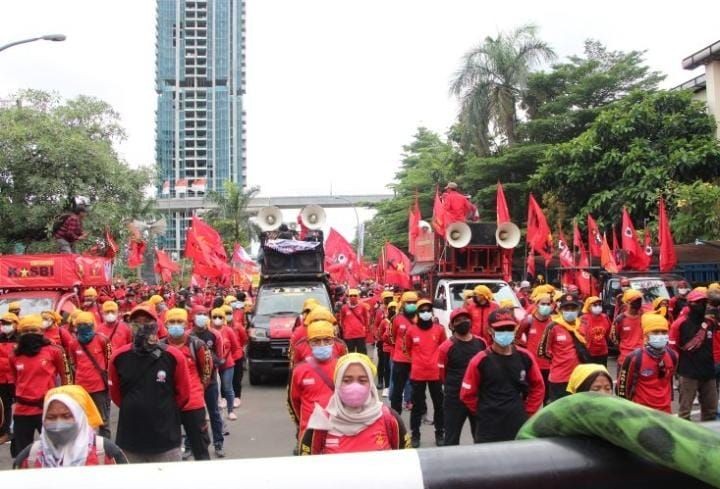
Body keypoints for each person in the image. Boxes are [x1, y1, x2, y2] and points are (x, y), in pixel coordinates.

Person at [109, 304, 191, 463]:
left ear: (156, 324)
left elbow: (183, 395)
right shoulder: (119, 357)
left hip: (165, 440)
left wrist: (161, 409)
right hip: (130, 438)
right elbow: (117, 396)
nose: (142, 326)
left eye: (146, 321)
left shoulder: (173, 356)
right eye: (136, 322)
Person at [460, 308, 544, 442]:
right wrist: (483, 412)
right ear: (490, 330)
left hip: (518, 421)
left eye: (509, 328)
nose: (505, 332)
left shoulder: (525, 357)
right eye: (500, 329)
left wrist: (528, 411)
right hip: (488, 425)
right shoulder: (479, 360)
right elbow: (467, 394)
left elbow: (538, 386)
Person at [300, 353, 409, 454]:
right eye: (347, 380)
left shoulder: (389, 419)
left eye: (362, 380)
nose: (355, 387)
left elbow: (407, 462)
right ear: (337, 383)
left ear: (371, 384)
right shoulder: (321, 422)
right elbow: (306, 468)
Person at [13, 385, 127, 468]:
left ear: (80, 418)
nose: (58, 423)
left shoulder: (106, 452)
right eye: (51, 417)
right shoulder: (29, 457)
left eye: (66, 416)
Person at [9, 314, 70, 457]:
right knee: (23, 453)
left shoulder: (54, 350)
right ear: (20, 333)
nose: (30, 334)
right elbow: (16, 380)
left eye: (34, 330)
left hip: (48, 409)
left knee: (55, 450)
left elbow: (66, 377)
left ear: (41, 331)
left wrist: (65, 402)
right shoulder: (14, 355)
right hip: (22, 410)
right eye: (26, 331)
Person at [162, 307, 212, 461]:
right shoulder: (160, 347)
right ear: (165, 324)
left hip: (193, 404)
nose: (176, 325)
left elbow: (207, 371)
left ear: (186, 324)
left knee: (201, 449)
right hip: (168, 405)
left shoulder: (197, 345)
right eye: (172, 322)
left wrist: (197, 390)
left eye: (179, 322)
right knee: (168, 449)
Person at [438, 308, 486, 446]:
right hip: (454, 398)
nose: (462, 322)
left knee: (480, 436)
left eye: (465, 319)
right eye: (458, 320)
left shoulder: (481, 343)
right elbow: (442, 374)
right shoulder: (446, 347)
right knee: (452, 437)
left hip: (477, 397)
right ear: (452, 326)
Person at [671, 288, 718, 421]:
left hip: (708, 373)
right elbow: (672, 348)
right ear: (690, 304)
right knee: (685, 412)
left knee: (711, 411)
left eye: (704, 302)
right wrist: (675, 370)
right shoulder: (679, 324)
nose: (702, 305)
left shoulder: (710, 323)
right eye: (698, 302)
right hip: (688, 373)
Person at [289, 321, 340, 440]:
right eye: (316, 341)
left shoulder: (342, 366)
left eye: (327, 340)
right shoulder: (299, 370)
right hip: (309, 433)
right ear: (309, 343)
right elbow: (294, 402)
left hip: (338, 430)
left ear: (333, 341)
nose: (322, 345)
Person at [405, 299, 447, 448]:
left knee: (439, 405)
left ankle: (440, 433)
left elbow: (443, 348)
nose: (425, 313)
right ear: (417, 313)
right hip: (418, 374)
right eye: (422, 311)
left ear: (432, 312)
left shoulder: (439, 330)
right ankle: (415, 435)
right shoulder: (411, 330)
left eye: (428, 310)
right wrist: (418, 362)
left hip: (435, 374)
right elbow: (408, 349)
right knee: (416, 406)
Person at [617, 313, 677, 412]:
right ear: (646, 335)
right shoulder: (635, 358)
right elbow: (622, 388)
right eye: (656, 332)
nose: (660, 336)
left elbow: (668, 380)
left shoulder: (672, 356)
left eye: (664, 332)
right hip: (642, 412)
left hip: (665, 412)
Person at [188, 305, 227, 457]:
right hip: (192, 383)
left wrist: (205, 355)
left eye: (205, 314)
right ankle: (189, 444)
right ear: (193, 316)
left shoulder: (215, 335)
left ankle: (218, 444)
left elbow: (220, 359)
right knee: (190, 415)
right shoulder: (187, 335)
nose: (202, 316)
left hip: (210, 381)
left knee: (214, 413)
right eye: (199, 314)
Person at [538, 294, 591, 401]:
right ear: (561, 310)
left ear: (578, 309)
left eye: (573, 308)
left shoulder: (583, 325)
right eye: (566, 308)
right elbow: (542, 351)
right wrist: (557, 359)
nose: (570, 311)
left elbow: (587, 346)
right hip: (559, 379)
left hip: (579, 376)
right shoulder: (553, 327)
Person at [68, 311, 112, 438]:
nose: (83, 326)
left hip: (99, 387)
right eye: (80, 324)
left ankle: (106, 448)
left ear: (93, 324)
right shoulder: (73, 343)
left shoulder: (103, 340)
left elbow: (109, 361)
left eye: (86, 324)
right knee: (83, 420)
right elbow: (74, 364)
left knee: (103, 420)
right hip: (81, 388)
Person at [516, 292, 554, 403]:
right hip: (532, 366)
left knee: (547, 399)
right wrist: (526, 347)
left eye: (548, 304)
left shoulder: (554, 322)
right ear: (537, 304)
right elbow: (516, 337)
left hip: (549, 366)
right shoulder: (528, 320)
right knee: (529, 396)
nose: (546, 306)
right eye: (543, 303)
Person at [389, 291, 417, 415]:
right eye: (409, 303)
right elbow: (393, 337)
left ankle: (419, 411)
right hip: (400, 359)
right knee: (397, 388)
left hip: (417, 360)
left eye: (414, 303)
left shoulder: (421, 318)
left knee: (418, 388)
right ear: (403, 304)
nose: (411, 305)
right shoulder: (397, 319)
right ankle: (395, 414)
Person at [211, 307, 239, 421]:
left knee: (228, 388)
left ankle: (231, 410)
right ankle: (214, 412)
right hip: (213, 366)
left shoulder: (228, 330)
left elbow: (235, 346)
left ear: (224, 319)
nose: (217, 319)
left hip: (227, 364)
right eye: (214, 317)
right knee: (214, 390)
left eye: (220, 317)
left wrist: (230, 358)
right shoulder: (209, 331)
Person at [611, 289, 645, 368]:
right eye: (635, 300)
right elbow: (613, 338)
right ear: (628, 302)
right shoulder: (620, 319)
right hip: (625, 359)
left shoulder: (644, 317)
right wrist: (624, 347)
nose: (638, 303)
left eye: (639, 300)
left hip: (642, 357)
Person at [0, 312, 18, 445]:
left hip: (16, 378)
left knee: (19, 405)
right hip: (2, 378)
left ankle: (15, 430)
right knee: (4, 406)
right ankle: (5, 431)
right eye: (4, 323)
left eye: (8, 323)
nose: (5, 326)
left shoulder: (21, 338)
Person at [580, 296, 612, 366]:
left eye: (599, 304)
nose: (598, 307)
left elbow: (608, 334)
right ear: (588, 307)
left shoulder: (605, 317)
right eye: (595, 305)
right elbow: (581, 335)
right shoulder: (584, 319)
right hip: (589, 353)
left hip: (603, 352)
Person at [339, 289, 370, 354]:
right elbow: (341, 320)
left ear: (358, 296)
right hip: (349, 335)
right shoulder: (344, 308)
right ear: (348, 297)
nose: (353, 297)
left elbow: (366, 319)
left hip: (360, 334)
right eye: (351, 296)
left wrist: (366, 330)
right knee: (350, 354)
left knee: (362, 354)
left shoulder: (362, 306)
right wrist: (345, 330)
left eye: (355, 295)